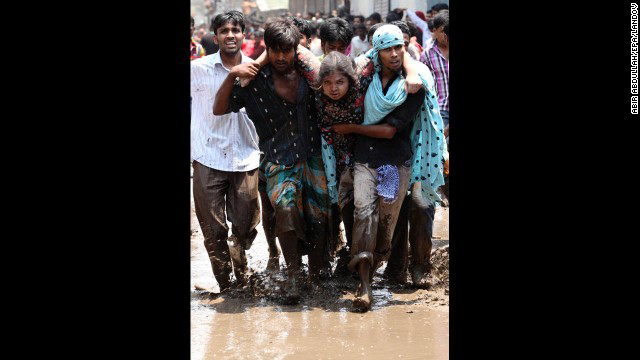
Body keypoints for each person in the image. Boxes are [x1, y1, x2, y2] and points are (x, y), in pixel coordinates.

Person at [213, 18, 330, 303]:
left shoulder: (309, 75)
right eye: (274, 50)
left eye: (286, 50)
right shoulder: (254, 81)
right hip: (278, 159)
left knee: (319, 216)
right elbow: (219, 109)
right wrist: (231, 76)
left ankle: (316, 275)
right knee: (285, 210)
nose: (280, 57)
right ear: (268, 49)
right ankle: (292, 274)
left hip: (313, 156)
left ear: (296, 50)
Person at [332, 24, 447, 311]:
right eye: (388, 48)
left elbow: (389, 131)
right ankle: (364, 285)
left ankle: (385, 262)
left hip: (393, 164)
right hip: (364, 161)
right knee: (363, 211)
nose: (395, 53)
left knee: (386, 224)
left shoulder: (415, 83)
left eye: (399, 47)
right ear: (376, 50)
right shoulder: (362, 77)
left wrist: (350, 128)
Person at [190, 11, 261, 293]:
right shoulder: (198, 69)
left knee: (245, 226)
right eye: (224, 30)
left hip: (246, 157)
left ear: (244, 34)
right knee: (212, 230)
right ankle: (227, 285)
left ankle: (241, 275)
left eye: (235, 30)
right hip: (207, 155)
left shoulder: (258, 71)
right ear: (215, 35)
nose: (230, 35)